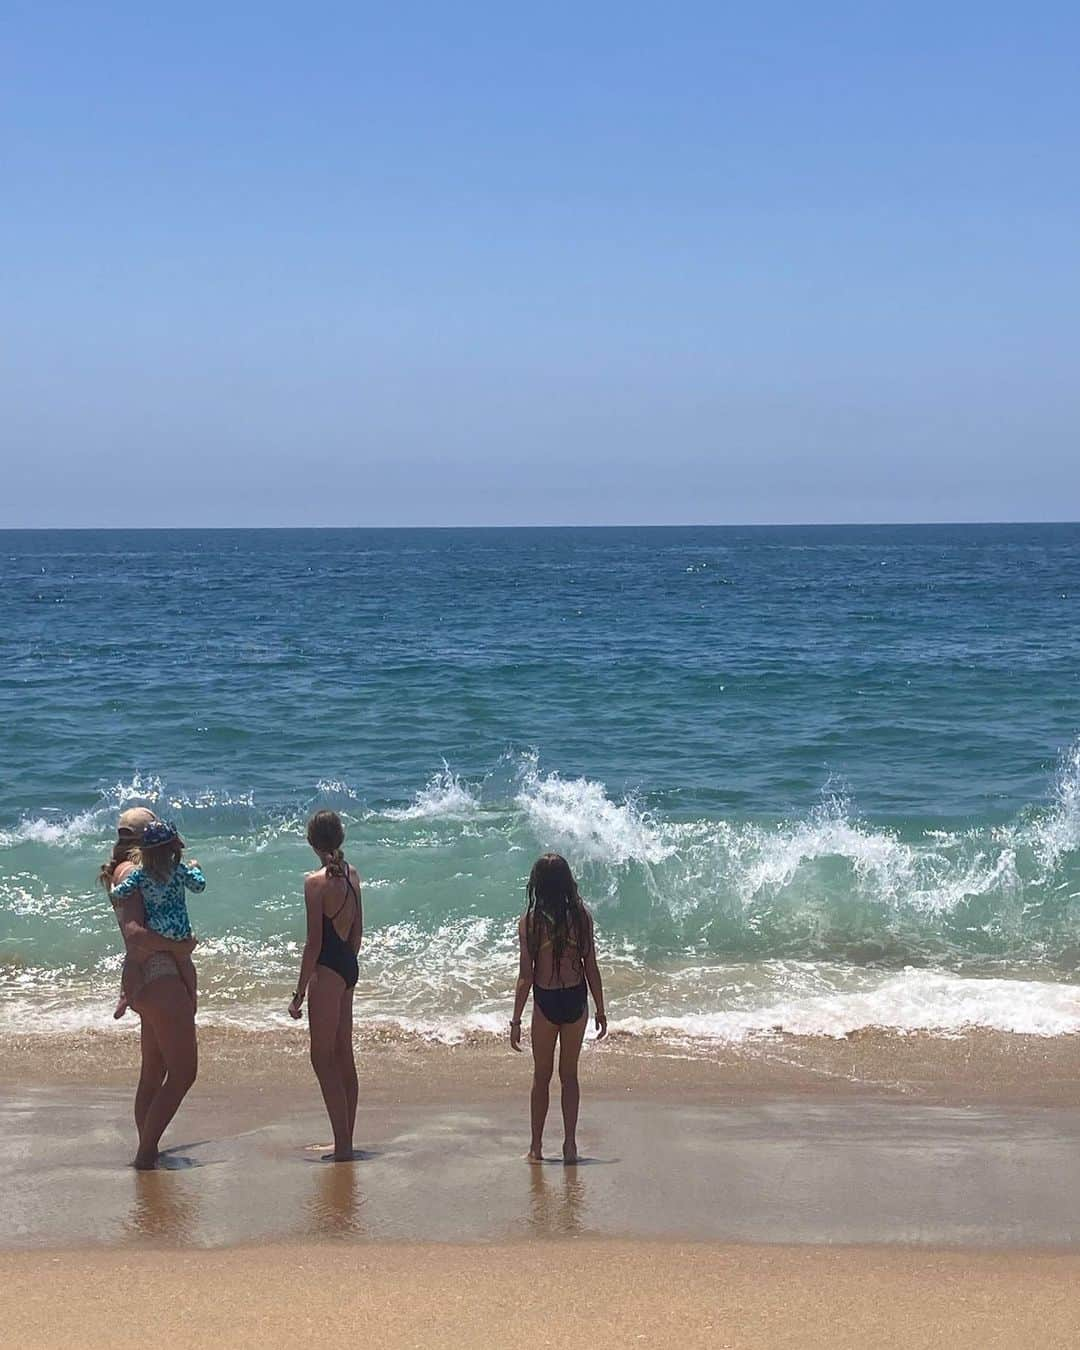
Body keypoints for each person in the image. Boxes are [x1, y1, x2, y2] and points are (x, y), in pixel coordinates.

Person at [102, 814, 202, 1169]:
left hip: (149, 979)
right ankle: (145, 1153)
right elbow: (134, 934)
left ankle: (149, 1150)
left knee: (154, 1071)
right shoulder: (133, 873)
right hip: (159, 977)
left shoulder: (127, 873)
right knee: (184, 1073)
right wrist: (180, 949)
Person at [510, 853, 607, 1164]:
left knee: (541, 1076)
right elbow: (591, 966)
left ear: (537, 884)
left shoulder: (530, 922)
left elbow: (526, 976)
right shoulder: (581, 918)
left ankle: (536, 1147)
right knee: (569, 1076)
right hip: (576, 999)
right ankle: (570, 1145)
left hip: (546, 1000)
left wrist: (515, 1020)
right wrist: (601, 1009)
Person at [288, 810, 363, 1162]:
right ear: (341, 838)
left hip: (329, 970)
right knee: (343, 1055)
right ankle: (344, 1139)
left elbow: (313, 944)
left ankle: (344, 1145)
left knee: (321, 1057)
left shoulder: (314, 883)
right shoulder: (352, 876)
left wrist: (299, 992)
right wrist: (347, 967)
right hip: (348, 965)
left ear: (310, 842)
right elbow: (357, 931)